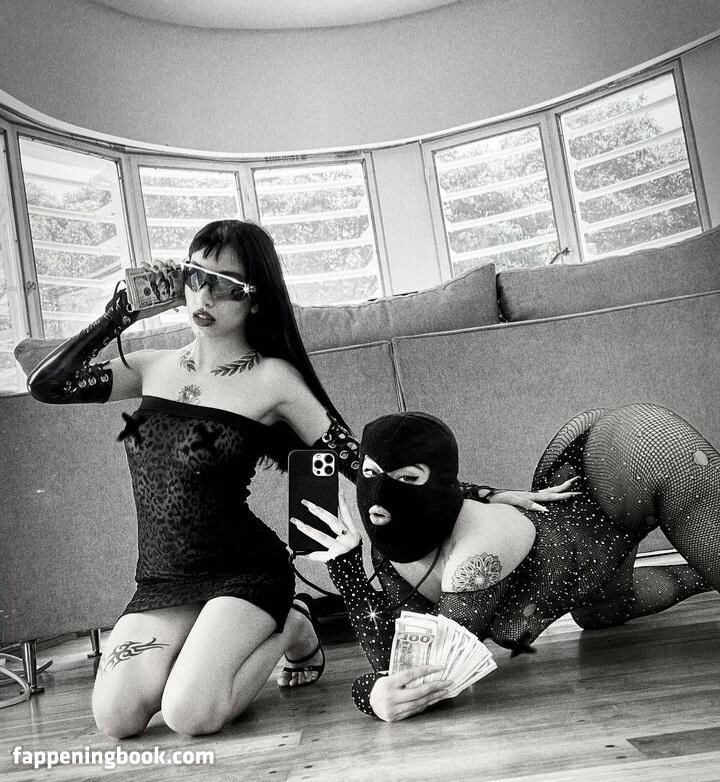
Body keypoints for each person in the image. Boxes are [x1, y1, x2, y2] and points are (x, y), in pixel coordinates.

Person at [23, 219, 564, 737]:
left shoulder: (273, 380)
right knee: (116, 719)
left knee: (190, 714)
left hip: (243, 573)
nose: (204, 296)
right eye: (195, 276)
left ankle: (291, 623)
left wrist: (482, 493)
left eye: (225, 285)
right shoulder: (148, 366)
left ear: (255, 298)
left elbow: (357, 461)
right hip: (163, 580)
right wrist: (120, 313)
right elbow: (48, 387)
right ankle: (212, 643)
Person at [294, 406, 718, 722]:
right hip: (586, 520)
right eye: (371, 473)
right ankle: (702, 577)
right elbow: (397, 665)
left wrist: (368, 691)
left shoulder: (477, 555)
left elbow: (426, 680)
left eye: (408, 478)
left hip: (639, 454)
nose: (380, 494)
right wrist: (344, 563)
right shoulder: (390, 544)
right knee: (600, 614)